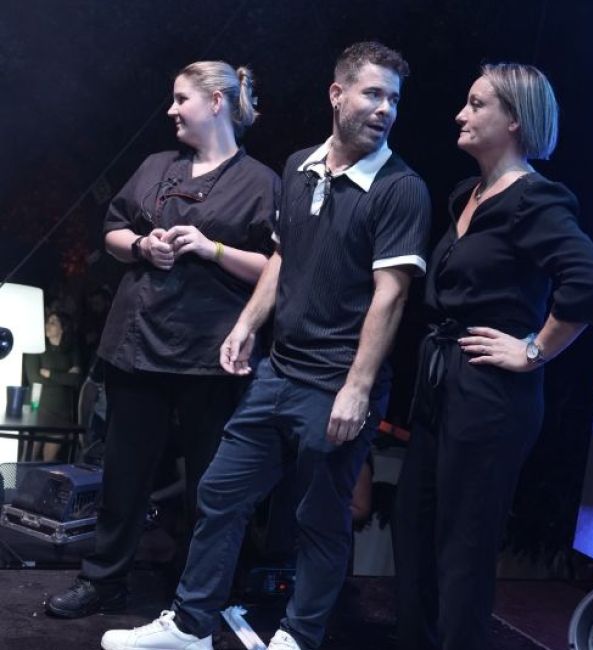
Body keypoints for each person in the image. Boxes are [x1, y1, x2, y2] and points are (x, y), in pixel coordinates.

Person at [100, 41, 431, 650]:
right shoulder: (301, 166)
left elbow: (392, 295)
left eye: (393, 99)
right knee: (220, 493)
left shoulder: (401, 188)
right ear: (337, 94)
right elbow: (283, 259)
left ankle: (298, 637)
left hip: (337, 380)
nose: (385, 109)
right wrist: (247, 325)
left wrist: (358, 387)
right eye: (372, 94)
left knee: (319, 517)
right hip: (280, 371)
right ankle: (192, 626)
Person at [46, 60, 279, 618]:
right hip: (138, 344)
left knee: (209, 484)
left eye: (181, 99)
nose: (172, 110)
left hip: (212, 353)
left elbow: (277, 268)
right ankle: (104, 581)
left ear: (216, 102)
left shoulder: (261, 182)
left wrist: (210, 248)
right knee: (123, 477)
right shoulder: (156, 166)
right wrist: (142, 246)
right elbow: (111, 230)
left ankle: (198, 592)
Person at [392, 63, 593, 650]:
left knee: (463, 549)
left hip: (489, 394)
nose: (460, 115)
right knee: (414, 533)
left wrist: (533, 350)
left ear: (514, 119)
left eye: (476, 104)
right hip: (441, 381)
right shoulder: (466, 196)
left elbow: (590, 282)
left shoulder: (534, 199)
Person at [23, 310, 82, 461]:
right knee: (28, 457)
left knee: (49, 462)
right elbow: (34, 378)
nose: (47, 325)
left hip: (61, 412)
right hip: (37, 410)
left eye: (53, 322)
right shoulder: (36, 348)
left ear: (62, 328)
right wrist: (65, 377)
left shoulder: (71, 351)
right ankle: (17, 479)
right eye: (47, 322)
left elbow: (76, 380)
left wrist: (49, 373)